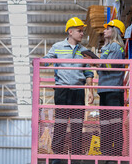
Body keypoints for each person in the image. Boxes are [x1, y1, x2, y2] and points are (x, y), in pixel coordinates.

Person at [44, 17, 94, 164]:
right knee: (60, 123)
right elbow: (46, 60)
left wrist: (90, 92)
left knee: (78, 124)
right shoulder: (57, 46)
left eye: (83, 31)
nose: (82, 34)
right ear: (70, 32)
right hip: (62, 90)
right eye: (80, 31)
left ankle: (76, 155)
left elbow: (89, 72)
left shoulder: (84, 51)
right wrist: (38, 62)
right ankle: (57, 155)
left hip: (78, 91)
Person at [97, 19, 126, 163]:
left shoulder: (117, 47)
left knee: (115, 123)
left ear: (114, 31)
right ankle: (107, 155)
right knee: (105, 124)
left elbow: (111, 66)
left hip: (113, 90)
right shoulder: (107, 47)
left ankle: (115, 155)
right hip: (104, 90)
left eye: (107, 28)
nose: (104, 31)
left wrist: (97, 61)